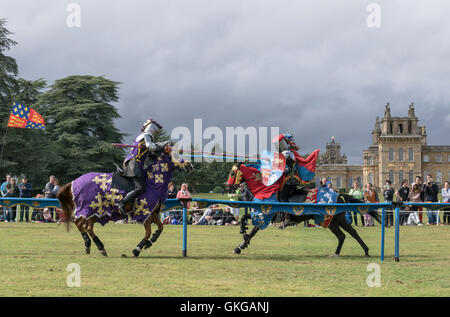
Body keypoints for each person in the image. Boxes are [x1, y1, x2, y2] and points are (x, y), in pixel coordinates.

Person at [116, 118, 165, 214]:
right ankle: (122, 203)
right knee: (140, 188)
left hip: (132, 163)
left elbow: (150, 154)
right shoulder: (147, 135)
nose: (156, 133)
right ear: (152, 129)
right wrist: (160, 146)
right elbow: (150, 147)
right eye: (156, 131)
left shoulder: (140, 137)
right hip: (134, 164)